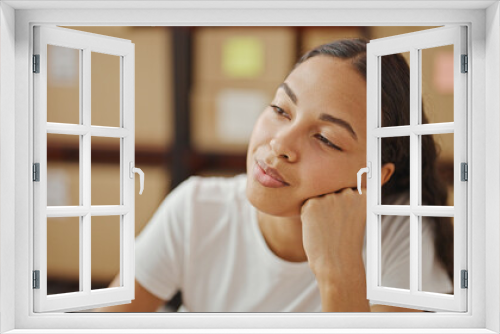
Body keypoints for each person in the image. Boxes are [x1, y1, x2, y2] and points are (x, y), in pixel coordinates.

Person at [95, 38, 454, 313]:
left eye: (325, 138)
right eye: (281, 109)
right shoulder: (197, 207)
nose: (280, 142)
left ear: (373, 176)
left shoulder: (398, 232)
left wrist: (338, 272)